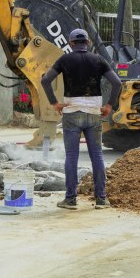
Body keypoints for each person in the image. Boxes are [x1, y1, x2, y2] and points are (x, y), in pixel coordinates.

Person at [41, 28, 122, 210]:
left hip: (71, 113)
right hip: (94, 113)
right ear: (88, 43)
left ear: (71, 43)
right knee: (97, 155)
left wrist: (55, 103)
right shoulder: (99, 60)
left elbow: (46, 80)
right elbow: (117, 83)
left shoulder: (64, 59)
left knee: (71, 156)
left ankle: (70, 200)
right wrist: (109, 105)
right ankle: (101, 199)